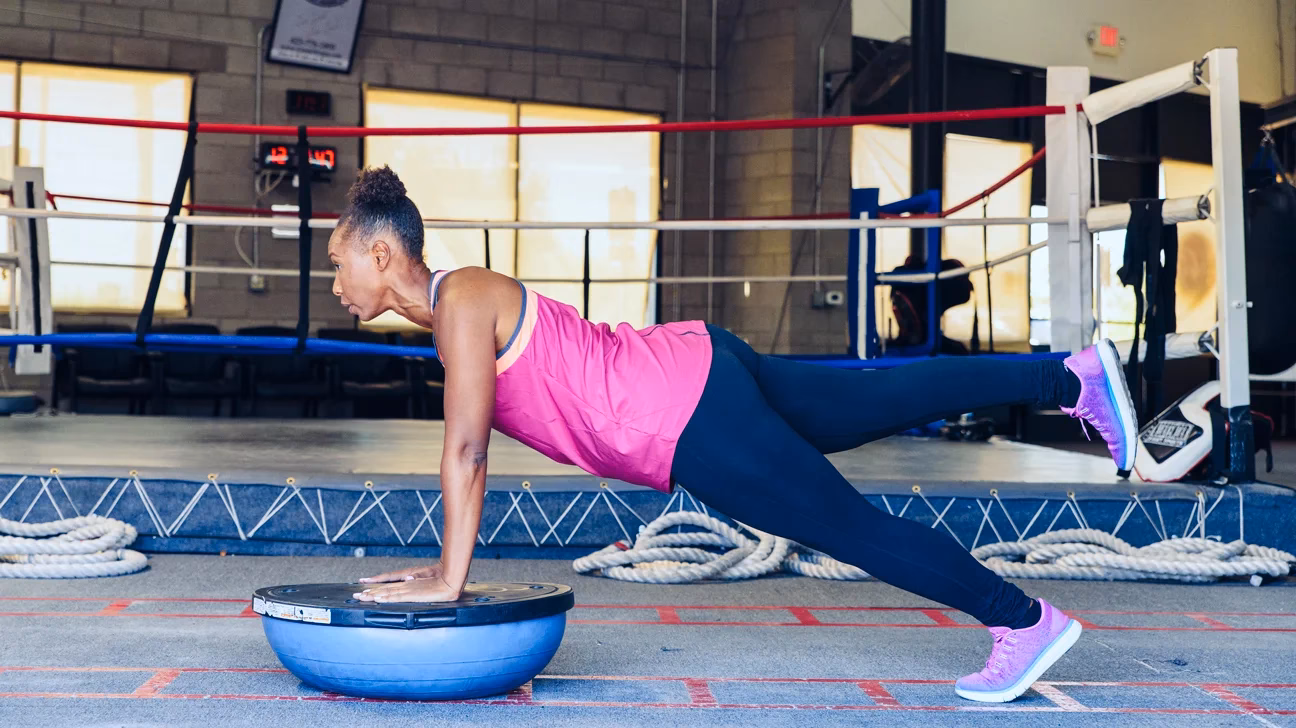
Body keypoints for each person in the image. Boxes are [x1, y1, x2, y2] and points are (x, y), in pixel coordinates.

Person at [329, 166, 1138, 704]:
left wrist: (448, 578)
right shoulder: (459, 306)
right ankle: (1069, 379)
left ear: (379, 249)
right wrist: (445, 566)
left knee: (849, 530)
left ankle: (1023, 621)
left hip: (686, 422)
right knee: (881, 396)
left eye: (339, 264)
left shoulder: (462, 301)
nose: (335, 285)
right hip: (700, 366)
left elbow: (467, 450)